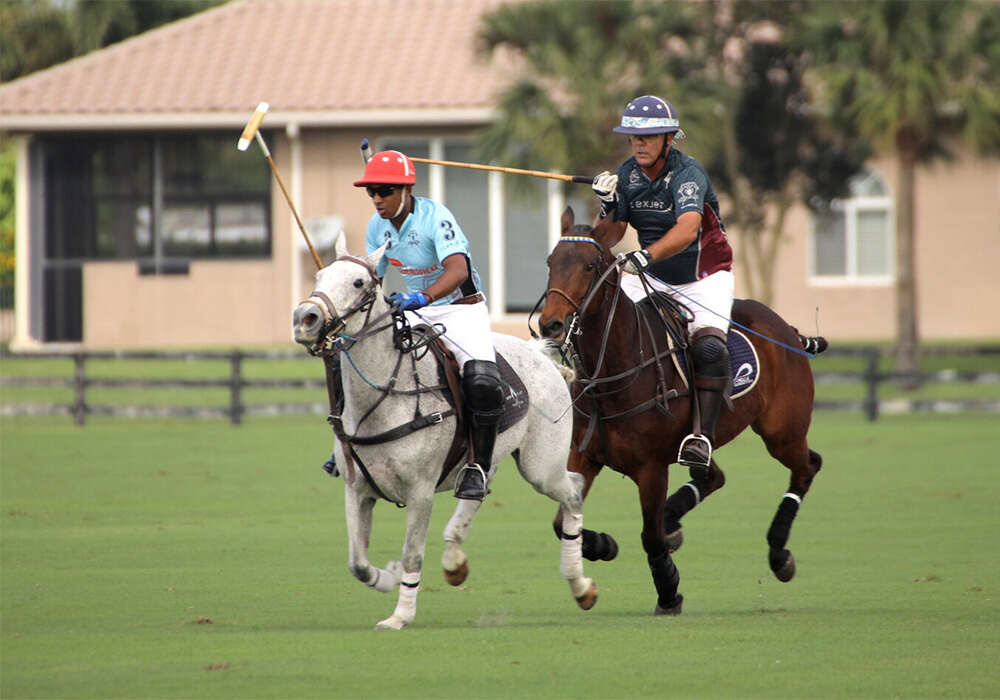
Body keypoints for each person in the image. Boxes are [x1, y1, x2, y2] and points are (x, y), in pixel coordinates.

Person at [339, 149, 504, 501]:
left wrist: (423, 298)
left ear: (405, 190)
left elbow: (458, 270)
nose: (377, 199)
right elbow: (375, 280)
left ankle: (478, 466)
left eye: (384, 190)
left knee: (482, 381)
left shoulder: (435, 218)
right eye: (371, 192)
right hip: (416, 308)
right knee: (354, 352)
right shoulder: (376, 227)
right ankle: (347, 441)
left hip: (460, 308)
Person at [591, 95, 734, 478]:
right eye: (633, 137)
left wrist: (646, 257)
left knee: (707, 346)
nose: (639, 144)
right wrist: (608, 206)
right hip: (652, 275)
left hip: (704, 277)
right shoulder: (628, 174)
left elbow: (687, 229)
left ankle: (701, 436)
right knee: (610, 329)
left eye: (649, 136)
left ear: (668, 138)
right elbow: (612, 232)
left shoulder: (688, 174)